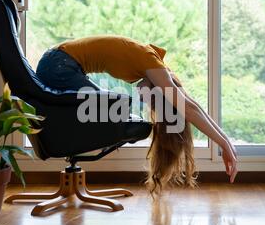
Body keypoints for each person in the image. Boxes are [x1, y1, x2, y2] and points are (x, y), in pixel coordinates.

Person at [36, 35, 238, 193]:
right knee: (105, 111)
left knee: (106, 109)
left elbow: (192, 104)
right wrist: (223, 144)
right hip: (59, 65)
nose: (143, 99)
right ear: (158, 88)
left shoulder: (155, 67)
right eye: (151, 99)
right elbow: (189, 108)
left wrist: (225, 141)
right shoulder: (153, 65)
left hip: (58, 62)